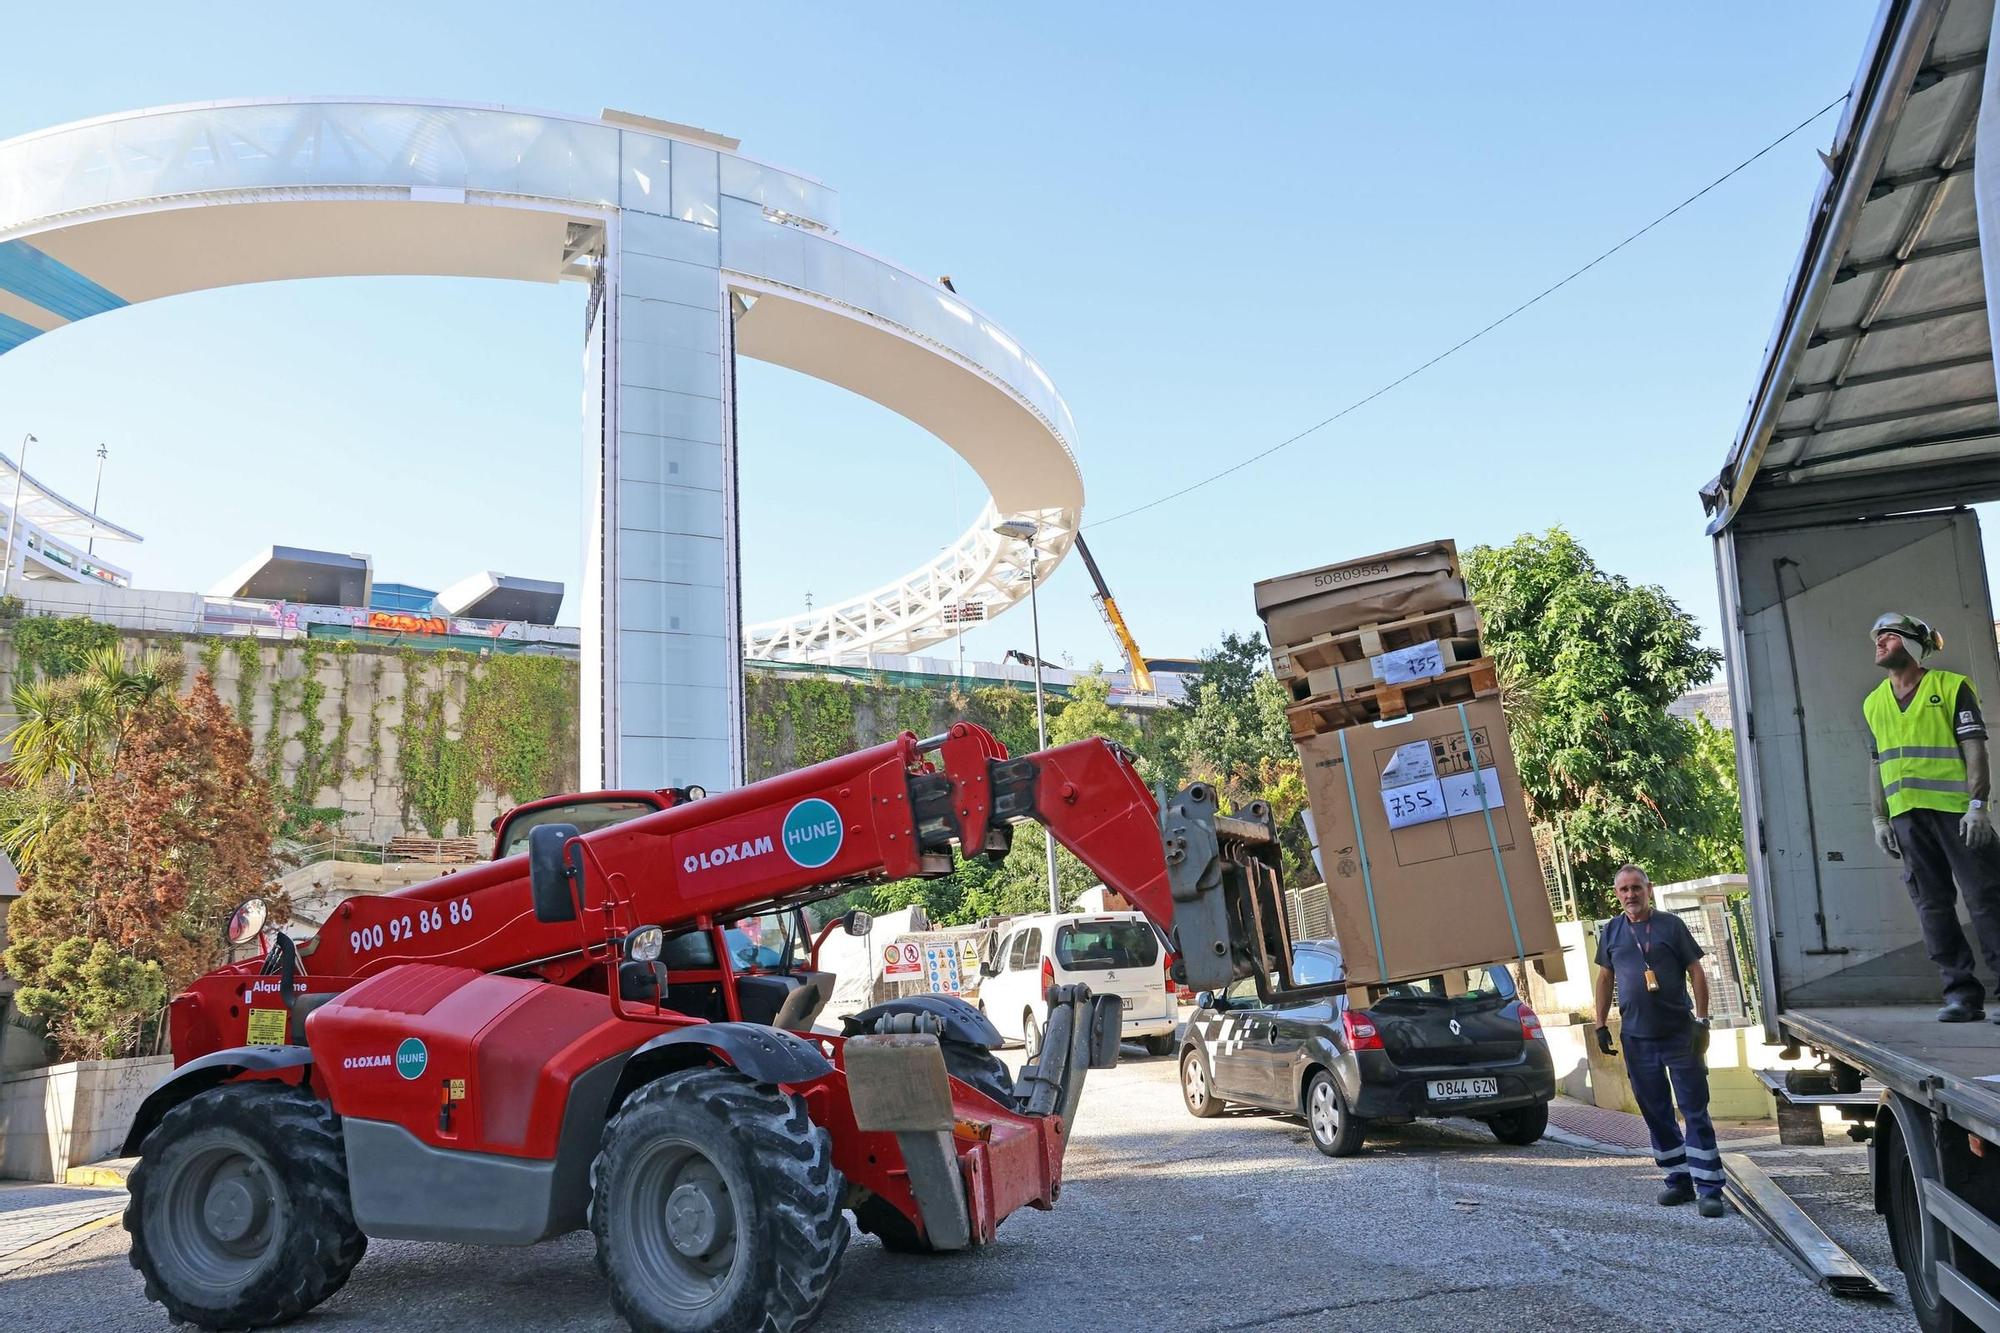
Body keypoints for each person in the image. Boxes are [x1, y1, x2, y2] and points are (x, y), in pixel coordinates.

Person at [1863, 611, 2000, 1022]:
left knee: (1986, 899)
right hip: (1907, 818)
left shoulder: (1951, 687)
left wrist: (1978, 805)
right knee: (1933, 906)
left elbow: (1975, 748)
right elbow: (1876, 764)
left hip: (1957, 813)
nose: (1879, 642)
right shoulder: (1873, 703)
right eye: (1878, 637)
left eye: (1889, 636)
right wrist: (1880, 820)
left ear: (1911, 644)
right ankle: (1961, 995)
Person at [1593, 864, 1724, 1217]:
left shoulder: (1671, 926)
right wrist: (1600, 1024)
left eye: (1636, 887)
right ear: (1617, 894)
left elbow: (1696, 971)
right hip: (1637, 1039)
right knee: (1655, 1112)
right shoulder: (1611, 931)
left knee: (1694, 1109)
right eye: (1624, 889)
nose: (1630, 894)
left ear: (1648, 889)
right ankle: (1678, 1180)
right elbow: (1605, 979)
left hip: (1680, 1035)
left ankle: (1709, 1188)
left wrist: (1702, 1020)